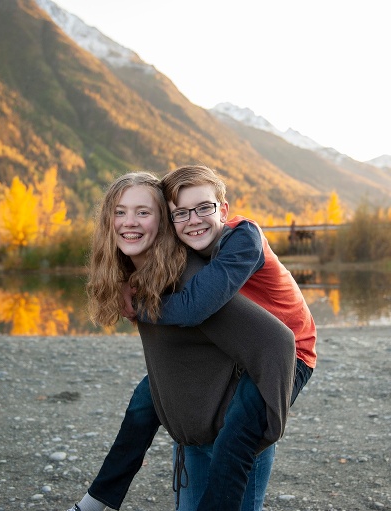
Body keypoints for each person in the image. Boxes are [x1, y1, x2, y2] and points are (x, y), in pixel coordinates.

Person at [77, 172, 296, 511]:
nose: (193, 220)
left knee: (237, 439)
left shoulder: (241, 239)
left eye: (142, 212)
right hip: (239, 355)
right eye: (181, 212)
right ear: (172, 219)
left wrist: (141, 307)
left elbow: (196, 308)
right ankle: (97, 500)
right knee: (146, 396)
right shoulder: (175, 256)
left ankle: (95, 503)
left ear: (222, 210)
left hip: (290, 350)